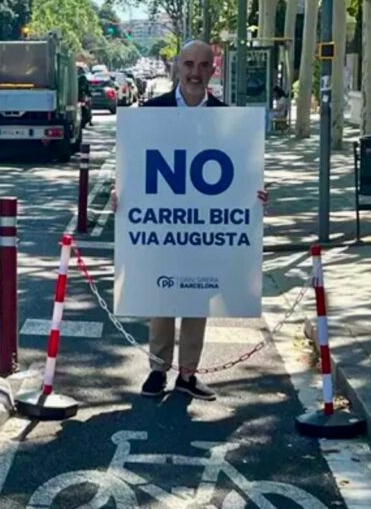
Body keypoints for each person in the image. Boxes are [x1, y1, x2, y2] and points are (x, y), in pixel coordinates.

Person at [113, 40, 269, 401]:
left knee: (197, 298)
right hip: (162, 227)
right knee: (161, 295)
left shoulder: (228, 119)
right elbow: (133, 166)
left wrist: (257, 196)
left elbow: (242, 174)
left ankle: (187, 374)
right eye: (188, 64)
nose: (195, 73)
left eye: (202, 65)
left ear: (213, 70)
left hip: (204, 229)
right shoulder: (150, 112)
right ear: (176, 67)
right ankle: (158, 370)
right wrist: (122, 195)